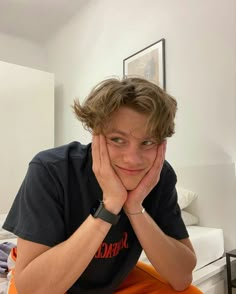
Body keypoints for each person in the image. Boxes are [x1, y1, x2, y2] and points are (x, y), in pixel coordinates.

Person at [3, 77, 202, 294]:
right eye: (117, 139)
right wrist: (109, 206)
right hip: (48, 276)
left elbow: (182, 277)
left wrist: (135, 208)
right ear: (95, 133)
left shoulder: (159, 175)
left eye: (147, 142)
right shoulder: (51, 168)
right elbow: (32, 289)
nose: (132, 159)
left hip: (115, 280)